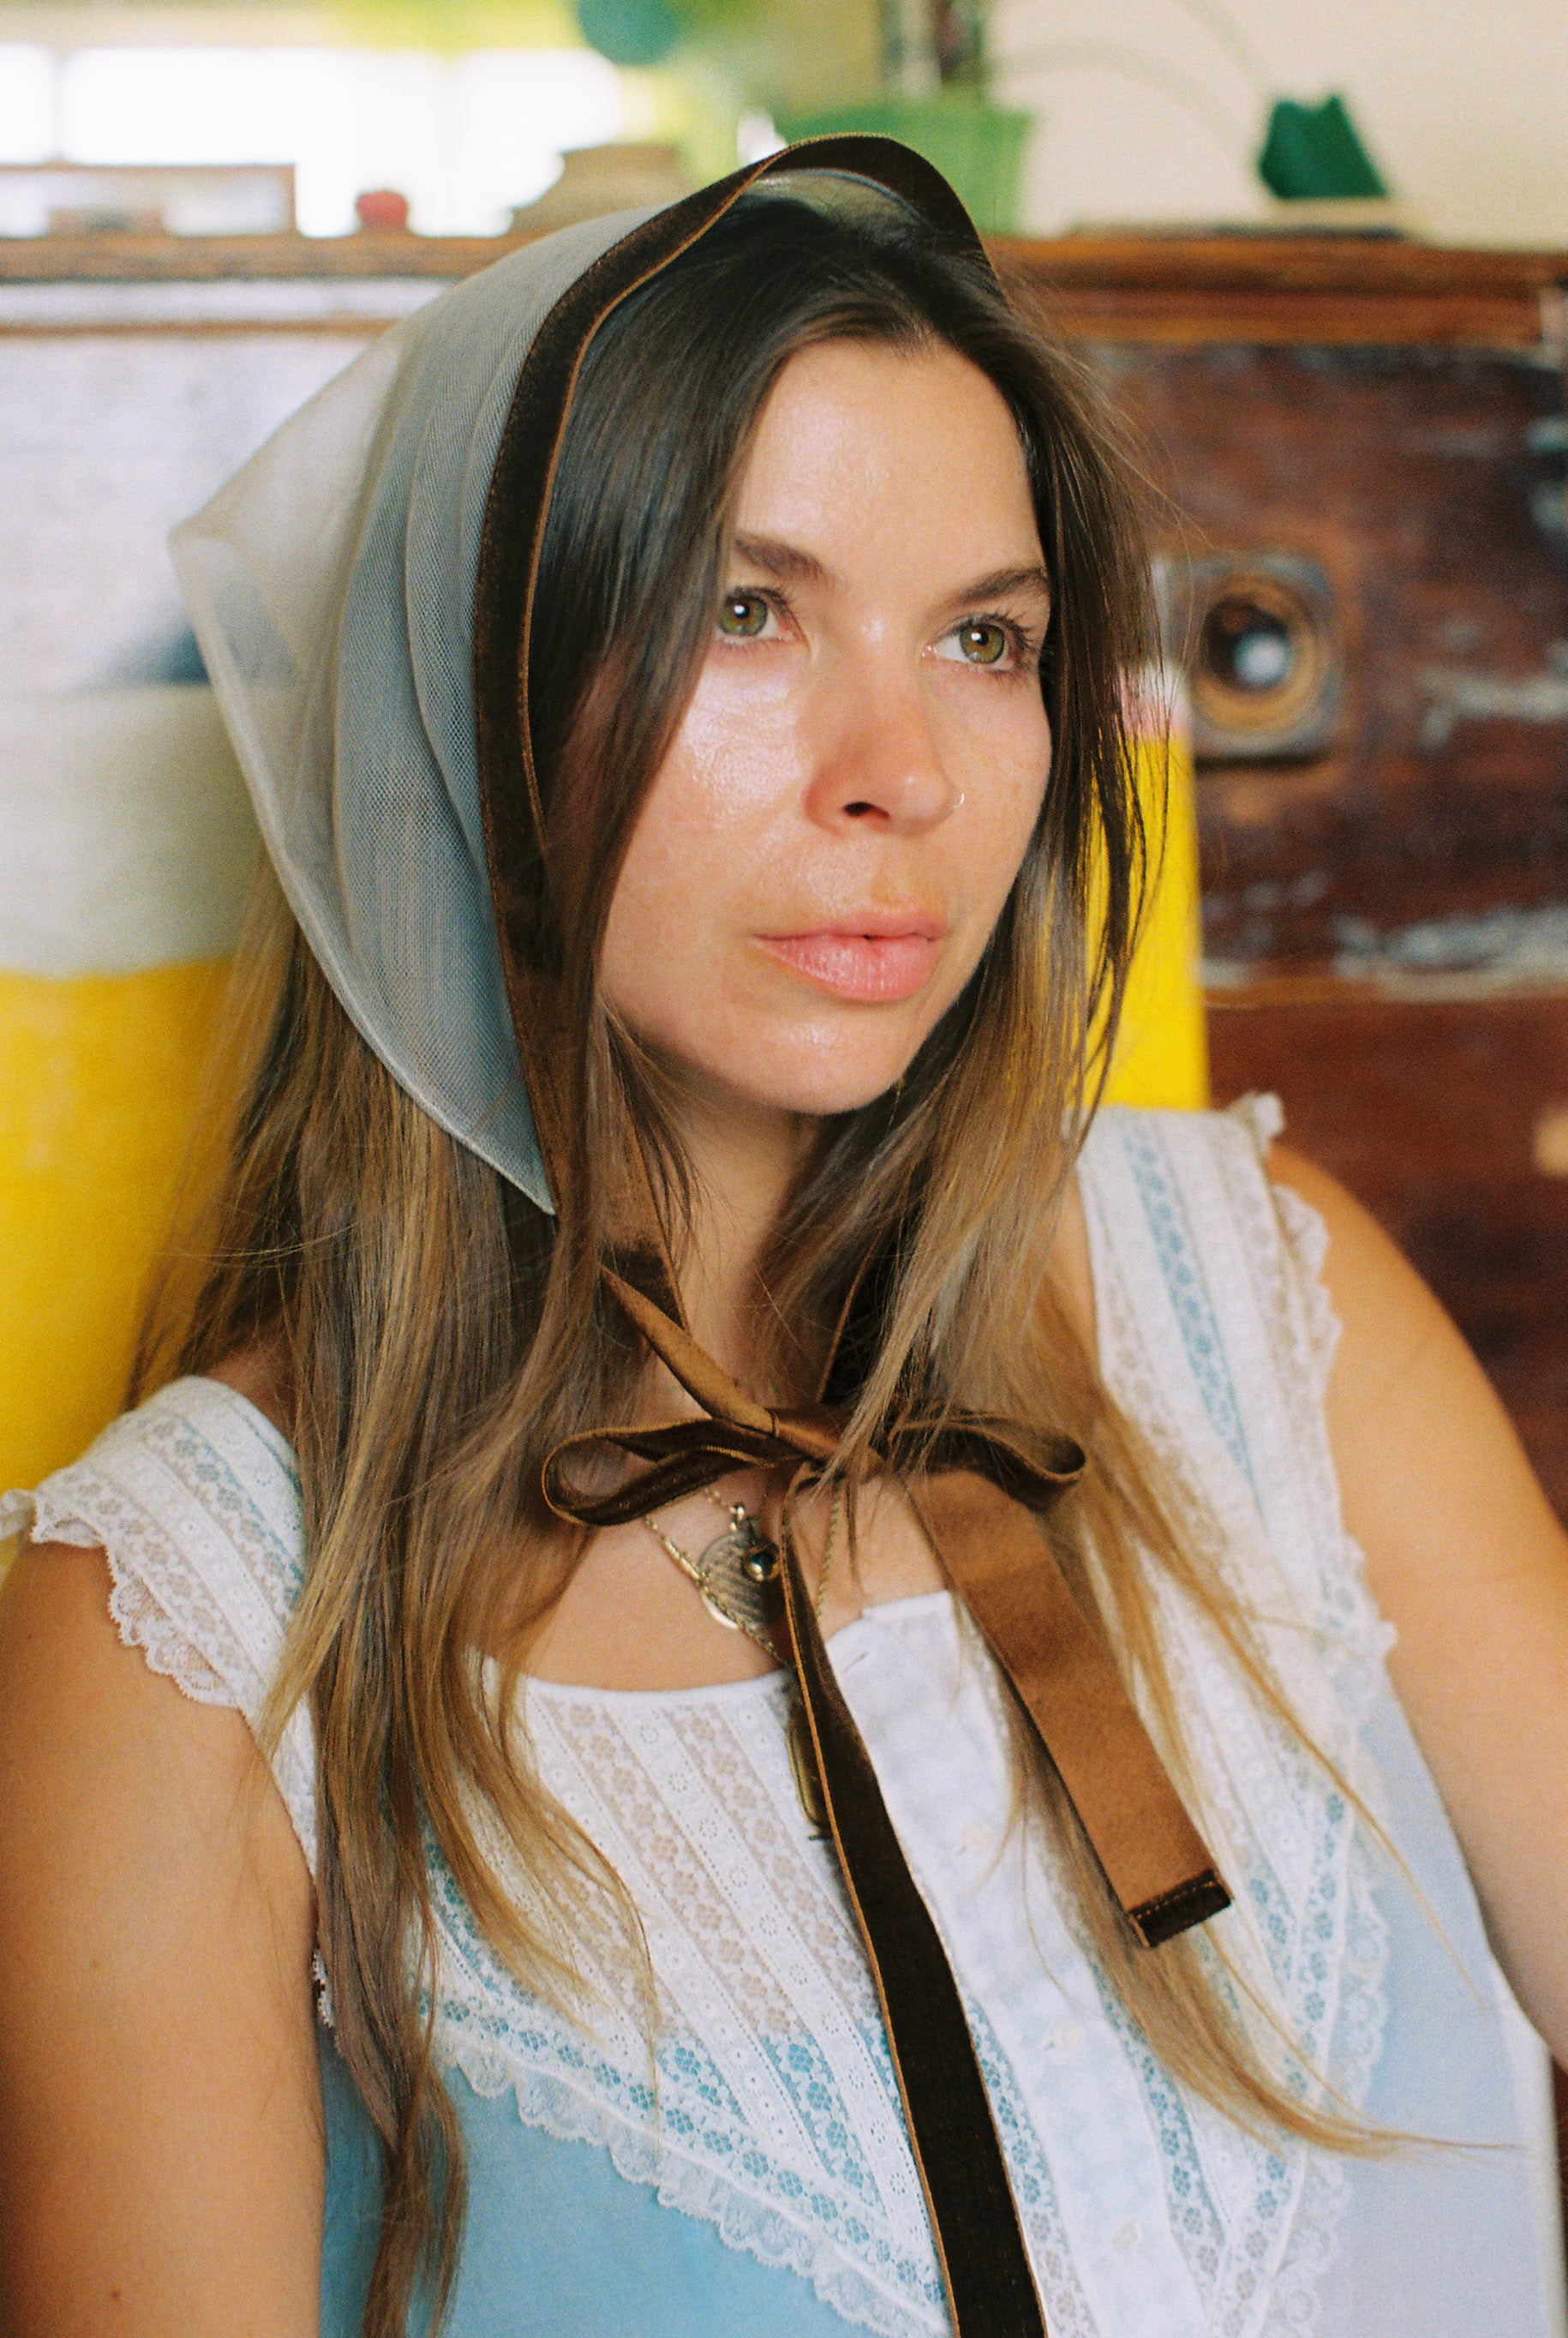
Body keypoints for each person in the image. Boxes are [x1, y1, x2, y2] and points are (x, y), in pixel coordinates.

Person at [1, 141, 1565, 2338]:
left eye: (987, 637)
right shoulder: (179, 1627)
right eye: (749, 610)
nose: (898, 769)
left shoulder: (1261, 1297)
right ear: (479, 697)